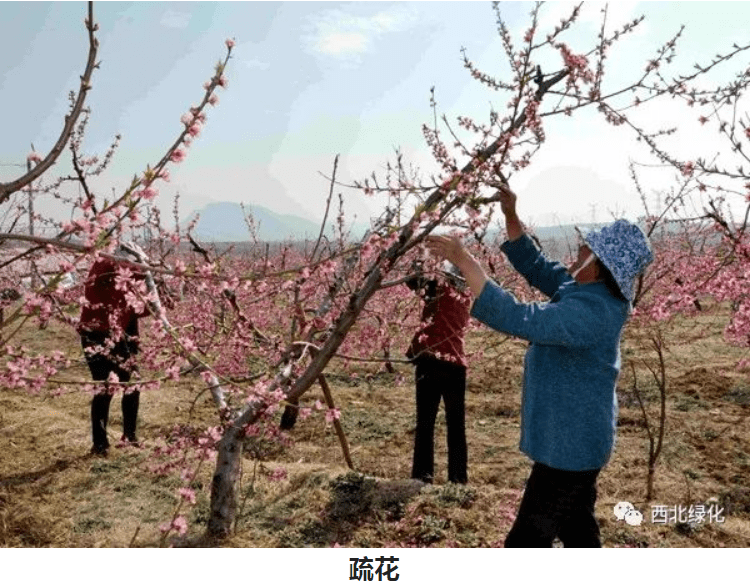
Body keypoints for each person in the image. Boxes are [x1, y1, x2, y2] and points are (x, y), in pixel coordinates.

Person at [425, 183, 653, 547]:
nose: (578, 249)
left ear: (600, 264)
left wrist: (465, 260)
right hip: (577, 442)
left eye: (586, 248)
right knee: (578, 528)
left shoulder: (590, 313)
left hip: (569, 448)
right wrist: (511, 215)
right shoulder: (586, 291)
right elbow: (536, 266)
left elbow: (520, 317)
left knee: (527, 540)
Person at [77, 247, 151, 456]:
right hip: (96, 334)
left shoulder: (123, 273)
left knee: (132, 384)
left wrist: (150, 283)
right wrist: (144, 272)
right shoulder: (105, 268)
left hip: (119, 334)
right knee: (105, 387)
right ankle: (100, 444)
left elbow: (140, 307)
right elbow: (125, 298)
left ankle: (129, 437)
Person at [405, 259, 471, 484]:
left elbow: (412, 279)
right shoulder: (465, 298)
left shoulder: (438, 290)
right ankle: (458, 479)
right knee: (456, 427)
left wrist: (423, 256)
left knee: (425, 424)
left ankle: (422, 478)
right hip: (456, 365)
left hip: (431, 362)